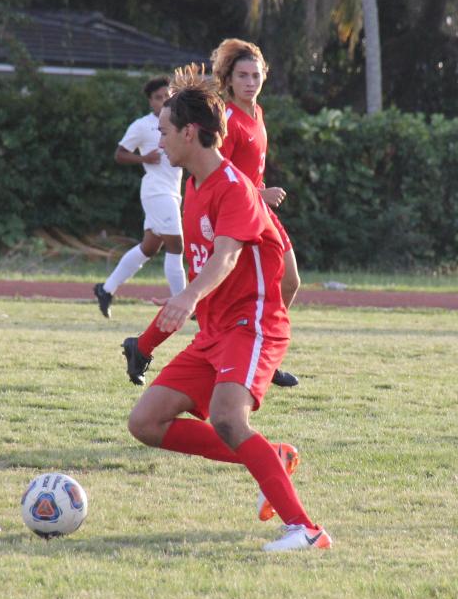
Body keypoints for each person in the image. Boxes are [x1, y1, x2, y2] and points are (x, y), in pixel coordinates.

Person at [123, 68, 330, 551]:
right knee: (145, 424)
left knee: (228, 420)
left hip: (251, 324)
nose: (160, 137)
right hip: (214, 332)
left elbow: (226, 256)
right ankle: (270, 457)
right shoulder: (193, 186)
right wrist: (145, 343)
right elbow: (203, 270)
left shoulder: (234, 187)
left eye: (165, 129)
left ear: (189, 133)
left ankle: (305, 529)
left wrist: (189, 296)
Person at [212, 38, 301, 388]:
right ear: (229, 79)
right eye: (242, 75)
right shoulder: (228, 119)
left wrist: (259, 194)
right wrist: (258, 192)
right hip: (241, 215)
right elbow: (220, 176)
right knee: (234, 296)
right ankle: (233, 355)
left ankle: (265, 352)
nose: (250, 82)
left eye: (256, 75)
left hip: (260, 210)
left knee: (291, 282)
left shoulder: (257, 112)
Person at [93, 76, 186, 317]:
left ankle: (106, 288)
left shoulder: (181, 123)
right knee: (176, 245)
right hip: (156, 192)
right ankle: (184, 303)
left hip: (172, 192)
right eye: (158, 97)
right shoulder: (143, 126)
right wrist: (144, 158)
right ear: (150, 101)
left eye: (168, 96)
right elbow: (120, 154)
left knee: (149, 248)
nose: (164, 101)